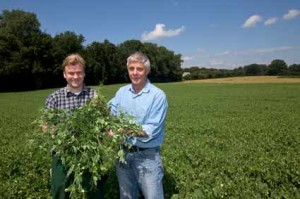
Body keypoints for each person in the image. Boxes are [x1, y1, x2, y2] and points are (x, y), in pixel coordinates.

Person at [43, 53, 105, 199]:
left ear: (84, 73)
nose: (75, 77)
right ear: (64, 74)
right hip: (62, 151)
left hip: (90, 152)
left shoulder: (95, 96)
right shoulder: (54, 98)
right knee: (60, 187)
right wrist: (56, 133)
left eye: (78, 73)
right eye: (71, 73)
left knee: (94, 187)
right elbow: (46, 125)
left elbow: (104, 121)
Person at [109, 52, 168, 199]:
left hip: (147, 157)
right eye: (131, 68)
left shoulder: (157, 95)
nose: (134, 73)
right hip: (123, 154)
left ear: (147, 71)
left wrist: (123, 130)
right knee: (127, 196)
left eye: (139, 69)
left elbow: (150, 130)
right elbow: (109, 112)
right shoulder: (122, 92)